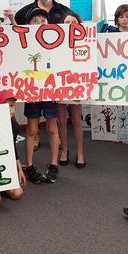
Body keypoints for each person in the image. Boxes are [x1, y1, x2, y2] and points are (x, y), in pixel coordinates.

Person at [22, 7, 60, 184]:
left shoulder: (55, 42)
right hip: (31, 91)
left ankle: (54, 164)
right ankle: (29, 165)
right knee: (32, 130)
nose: (39, 24)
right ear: (28, 25)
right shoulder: (25, 43)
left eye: (43, 20)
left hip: (50, 90)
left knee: (52, 128)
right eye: (35, 21)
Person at [0, 90, 25, 206]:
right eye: (4, 106)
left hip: (4, 165)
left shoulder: (14, 126)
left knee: (17, 193)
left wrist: (19, 169)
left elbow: (13, 148)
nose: (9, 109)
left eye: (11, 106)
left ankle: (2, 185)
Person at [58, 11, 86, 168]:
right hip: (59, 84)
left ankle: (80, 152)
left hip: (76, 84)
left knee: (76, 119)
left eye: (73, 22)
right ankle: (64, 150)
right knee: (61, 120)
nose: (70, 25)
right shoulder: (55, 41)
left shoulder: (84, 41)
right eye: (67, 22)